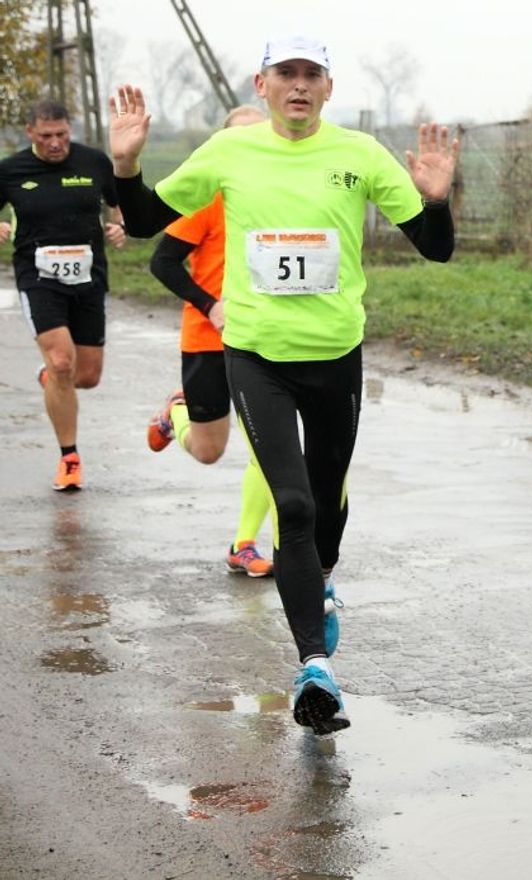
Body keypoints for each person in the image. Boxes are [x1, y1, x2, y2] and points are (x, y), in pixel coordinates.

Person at [107, 35, 459, 735]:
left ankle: (322, 579)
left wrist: (439, 199)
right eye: (285, 73)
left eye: (311, 74)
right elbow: (147, 222)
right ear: (260, 84)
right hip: (255, 356)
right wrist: (125, 163)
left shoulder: (359, 155)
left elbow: (436, 246)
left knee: (326, 504)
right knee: (292, 507)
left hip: (335, 357)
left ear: (329, 87)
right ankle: (313, 669)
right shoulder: (229, 151)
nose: (298, 85)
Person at [144, 104, 274, 578]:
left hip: (263, 339)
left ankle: (243, 543)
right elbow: (162, 262)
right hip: (207, 337)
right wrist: (210, 305)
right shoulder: (207, 198)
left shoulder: (280, 196)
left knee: (270, 444)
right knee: (208, 451)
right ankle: (173, 413)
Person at [0, 100, 126, 491]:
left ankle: (52, 378)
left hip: (89, 277)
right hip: (39, 277)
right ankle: (69, 457)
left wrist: (119, 226)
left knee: (86, 375)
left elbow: (118, 205)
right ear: (30, 133)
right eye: (46, 136)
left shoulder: (94, 162)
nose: (55, 143)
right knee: (61, 361)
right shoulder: (11, 170)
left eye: (61, 135)